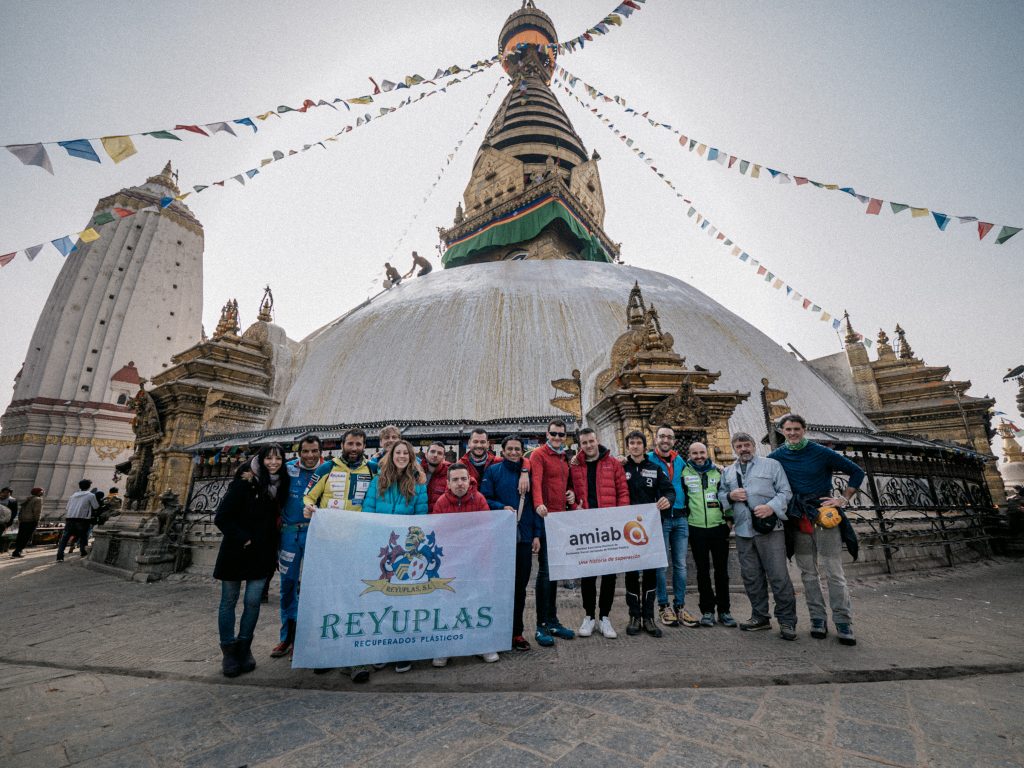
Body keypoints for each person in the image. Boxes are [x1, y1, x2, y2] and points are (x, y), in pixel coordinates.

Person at [769, 413, 865, 646]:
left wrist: (842, 499)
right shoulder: (776, 457)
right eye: (788, 429)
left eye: (796, 429)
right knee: (808, 574)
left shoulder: (820, 452)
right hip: (798, 518)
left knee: (833, 571)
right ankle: (817, 618)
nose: (792, 433)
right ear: (782, 431)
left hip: (824, 517)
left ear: (804, 429)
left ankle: (843, 621)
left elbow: (857, 472)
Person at [302, 428, 375, 681]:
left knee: (357, 598)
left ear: (364, 446)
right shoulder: (326, 469)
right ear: (343, 445)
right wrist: (309, 507)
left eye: (359, 444)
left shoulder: (372, 469)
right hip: (329, 544)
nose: (354, 448)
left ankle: (355, 658)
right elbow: (309, 496)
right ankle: (328, 653)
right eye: (350, 444)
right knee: (330, 598)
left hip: (358, 543)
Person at [213, 445, 289, 677]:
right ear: (261, 459)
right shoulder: (244, 482)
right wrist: (243, 539)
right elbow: (222, 517)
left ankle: (244, 647)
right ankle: (229, 650)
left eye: (278, 458)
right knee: (229, 601)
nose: (273, 462)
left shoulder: (281, 485)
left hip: (262, 553)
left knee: (253, 602)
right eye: (269, 458)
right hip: (236, 551)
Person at [718, 432, 797, 640]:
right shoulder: (728, 472)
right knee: (751, 576)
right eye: (739, 446)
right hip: (743, 531)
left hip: (770, 530)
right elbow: (720, 495)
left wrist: (771, 507)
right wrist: (729, 496)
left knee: (778, 576)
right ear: (734, 448)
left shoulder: (771, 465)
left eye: (747, 445)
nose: (743, 449)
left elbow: (785, 492)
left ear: (754, 446)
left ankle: (787, 621)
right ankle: (760, 616)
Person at [363, 439, 427, 673]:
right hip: (381, 546)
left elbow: (421, 516)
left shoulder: (419, 484)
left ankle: (402, 650)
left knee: (404, 600)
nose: (401, 456)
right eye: (397, 453)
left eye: (405, 454)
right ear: (391, 456)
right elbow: (368, 511)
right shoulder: (378, 481)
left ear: (411, 458)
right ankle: (381, 648)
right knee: (381, 599)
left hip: (404, 551)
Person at [429, 463, 499, 667]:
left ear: (469, 481)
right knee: (448, 606)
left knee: (478, 604)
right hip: (450, 564)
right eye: (455, 480)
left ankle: (482, 644)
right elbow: (438, 533)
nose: (460, 483)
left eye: (463, 479)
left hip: (477, 562)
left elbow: (486, 530)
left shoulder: (479, 499)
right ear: (448, 483)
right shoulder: (441, 503)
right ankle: (446, 647)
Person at [481, 435, 541, 652]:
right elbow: (484, 499)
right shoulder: (493, 472)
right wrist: (501, 507)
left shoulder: (530, 472)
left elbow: (536, 502)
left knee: (520, 588)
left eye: (518, 449)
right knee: (498, 587)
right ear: (502, 451)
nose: (514, 452)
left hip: (523, 538)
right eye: (510, 449)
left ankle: (517, 632)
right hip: (500, 537)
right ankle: (496, 632)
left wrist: (536, 534)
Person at [270, 435, 328, 660]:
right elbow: (264, 473)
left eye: (314, 451)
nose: (310, 456)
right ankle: (287, 636)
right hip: (289, 533)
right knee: (288, 585)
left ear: (320, 452)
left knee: (314, 587)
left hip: (317, 534)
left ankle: (307, 638)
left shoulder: (327, 470)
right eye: (306, 451)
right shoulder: (287, 470)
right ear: (299, 452)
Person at [569, 428, 629, 639]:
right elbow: (570, 493)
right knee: (588, 573)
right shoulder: (574, 466)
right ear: (580, 444)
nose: (588, 445)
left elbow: (622, 491)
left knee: (609, 573)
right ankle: (588, 616)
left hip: (609, 524)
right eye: (584, 443)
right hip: (586, 525)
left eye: (591, 441)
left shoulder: (613, 464)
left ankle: (605, 616)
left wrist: (620, 516)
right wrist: (575, 504)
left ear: (597, 441)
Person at [622, 431, 675, 637]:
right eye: (631, 443)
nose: (635, 446)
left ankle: (649, 617)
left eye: (638, 443)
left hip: (651, 528)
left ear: (645, 447)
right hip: (627, 530)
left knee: (651, 572)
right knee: (632, 573)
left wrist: (667, 500)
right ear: (627, 446)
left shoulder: (655, 468)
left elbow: (670, 491)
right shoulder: (621, 468)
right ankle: (634, 616)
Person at [529, 419, 577, 646]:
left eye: (561, 435)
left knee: (555, 572)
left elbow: (567, 482)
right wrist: (538, 504)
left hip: (561, 519)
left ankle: (553, 619)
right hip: (545, 516)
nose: (557, 438)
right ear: (546, 434)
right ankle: (541, 625)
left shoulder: (563, 457)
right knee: (545, 572)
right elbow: (536, 482)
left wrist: (570, 493)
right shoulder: (539, 455)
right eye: (554, 434)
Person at [647, 425, 698, 628]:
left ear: (674, 441)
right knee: (661, 564)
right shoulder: (648, 459)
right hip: (660, 518)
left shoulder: (680, 461)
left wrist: (719, 468)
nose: (665, 440)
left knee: (681, 565)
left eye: (669, 437)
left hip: (681, 517)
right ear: (656, 438)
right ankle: (663, 605)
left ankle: (680, 605)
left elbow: (697, 471)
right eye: (662, 436)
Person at [683, 442, 735, 628]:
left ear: (708, 452)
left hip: (719, 526)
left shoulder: (720, 472)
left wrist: (729, 519)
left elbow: (727, 495)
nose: (699, 456)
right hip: (696, 527)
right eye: (695, 453)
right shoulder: (684, 473)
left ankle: (725, 610)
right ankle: (707, 610)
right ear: (689, 454)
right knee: (702, 571)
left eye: (702, 452)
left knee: (722, 571)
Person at [56, 479, 99, 561]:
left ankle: (59, 555)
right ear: (89, 486)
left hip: (70, 518)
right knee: (83, 537)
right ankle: (83, 551)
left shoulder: (72, 496)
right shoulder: (90, 495)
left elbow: (67, 507)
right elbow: (96, 506)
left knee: (65, 538)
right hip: (82, 519)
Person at [11, 487, 43, 558]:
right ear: (38, 492)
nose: (42, 492)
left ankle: (17, 550)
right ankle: (18, 551)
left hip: (23, 520)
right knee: (26, 536)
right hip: (31, 520)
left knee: (21, 535)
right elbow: (37, 511)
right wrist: (37, 520)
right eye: (41, 491)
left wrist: (20, 518)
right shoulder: (38, 499)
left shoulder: (28, 499)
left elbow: (21, 510)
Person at [420, 441, 451, 513]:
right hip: (419, 518)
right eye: (432, 451)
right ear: (426, 454)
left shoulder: (449, 475)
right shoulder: (417, 472)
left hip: (439, 519)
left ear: (444, 458)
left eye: (439, 453)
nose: (435, 455)